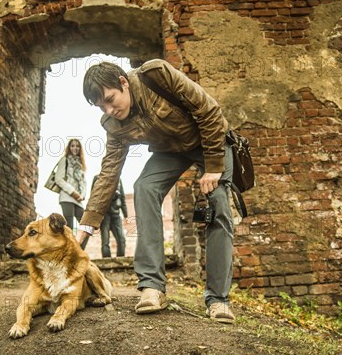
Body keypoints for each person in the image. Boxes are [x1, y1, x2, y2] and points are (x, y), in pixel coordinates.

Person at [76, 59, 236, 324]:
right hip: (170, 152)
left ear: (123, 82)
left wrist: (214, 167)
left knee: (217, 202)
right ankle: (152, 287)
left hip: (209, 141)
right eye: (100, 106)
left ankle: (218, 300)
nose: (108, 109)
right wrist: (88, 224)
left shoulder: (156, 75)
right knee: (144, 186)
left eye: (109, 99)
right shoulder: (113, 125)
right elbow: (108, 175)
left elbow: (209, 112)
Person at [91, 174, 128, 258]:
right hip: (104, 214)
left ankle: (120, 261)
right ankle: (106, 260)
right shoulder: (97, 178)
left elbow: (122, 197)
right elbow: (93, 197)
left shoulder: (118, 179)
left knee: (122, 239)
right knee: (105, 241)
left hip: (116, 214)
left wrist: (126, 215)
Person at [54, 138, 87, 231]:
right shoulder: (64, 160)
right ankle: (67, 246)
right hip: (67, 196)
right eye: (72, 146)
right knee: (69, 228)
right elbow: (58, 179)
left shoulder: (81, 165)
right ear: (69, 147)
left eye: (77, 146)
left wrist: (83, 195)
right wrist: (73, 192)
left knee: (86, 226)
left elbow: (84, 183)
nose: (75, 148)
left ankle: (79, 246)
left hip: (78, 199)